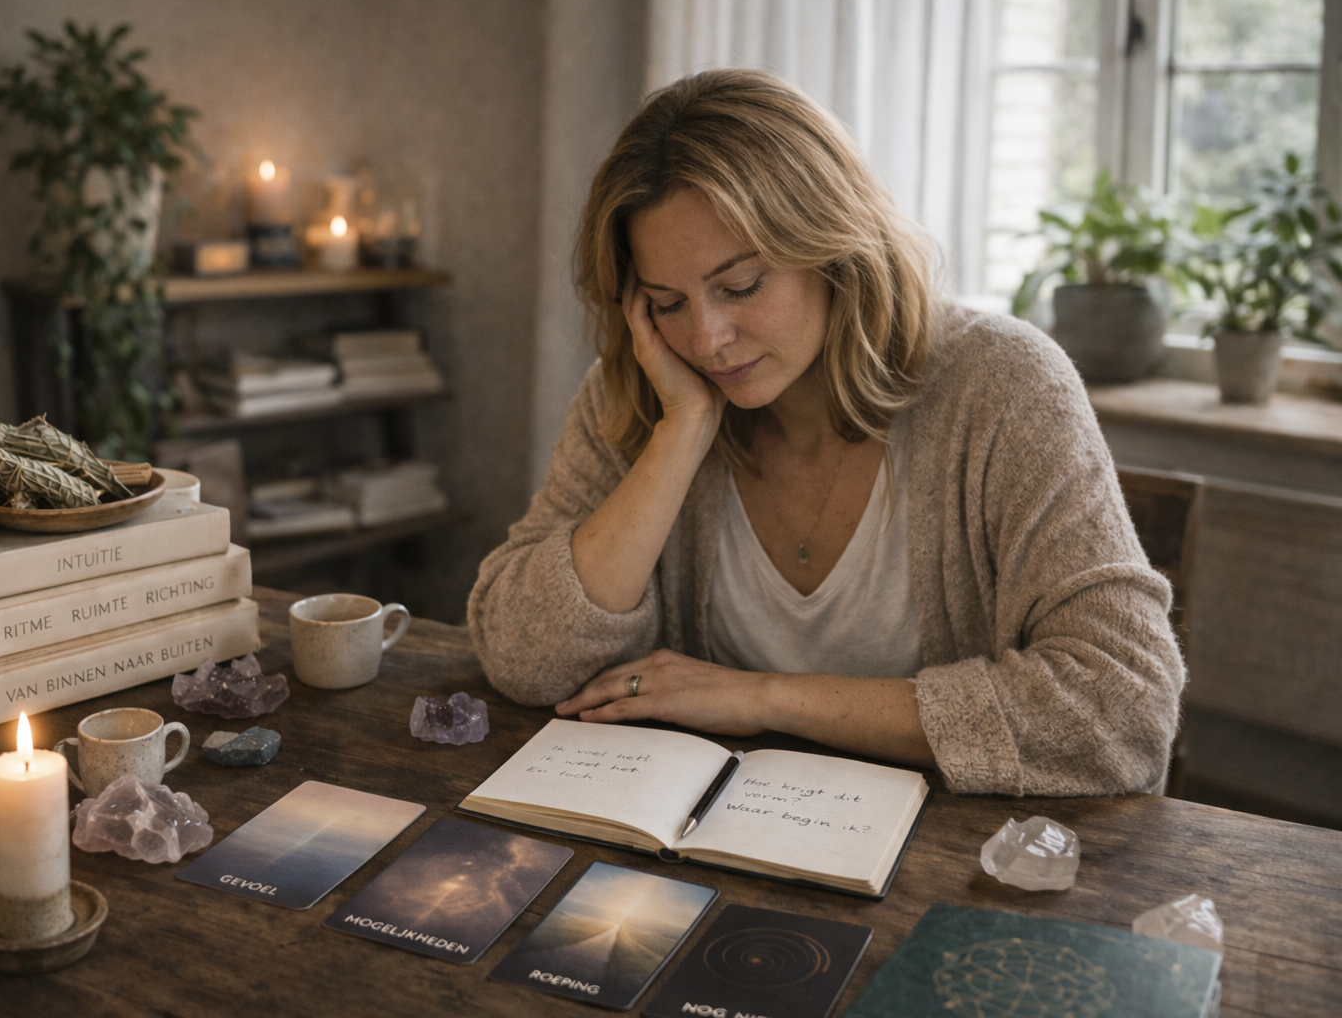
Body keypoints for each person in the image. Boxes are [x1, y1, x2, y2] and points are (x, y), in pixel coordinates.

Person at [467, 69, 1182, 797]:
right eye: (667, 303)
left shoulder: (1001, 382)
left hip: (956, 848)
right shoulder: (646, 390)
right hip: (711, 836)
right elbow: (525, 659)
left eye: (741, 286)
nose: (707, 340)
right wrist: (681, 433)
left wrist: (762, 698)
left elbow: (1122, 709)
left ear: (834, 249)